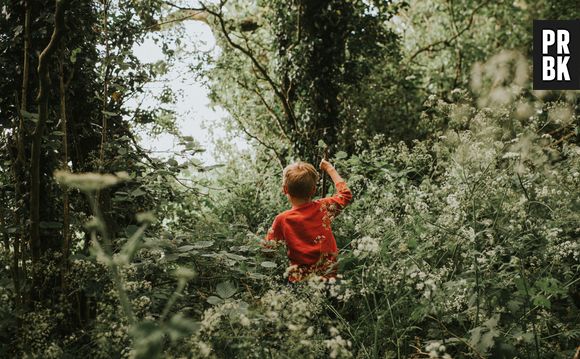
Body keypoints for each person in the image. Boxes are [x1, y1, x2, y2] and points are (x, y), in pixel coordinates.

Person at [263, 159, 352, 282]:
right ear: (313, 190)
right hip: (328, 277)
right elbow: (345, 195)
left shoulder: (282, 220)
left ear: (285, 190)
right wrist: (329, 168)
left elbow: (268, 250)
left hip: (300, 281)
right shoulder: (323, 207)